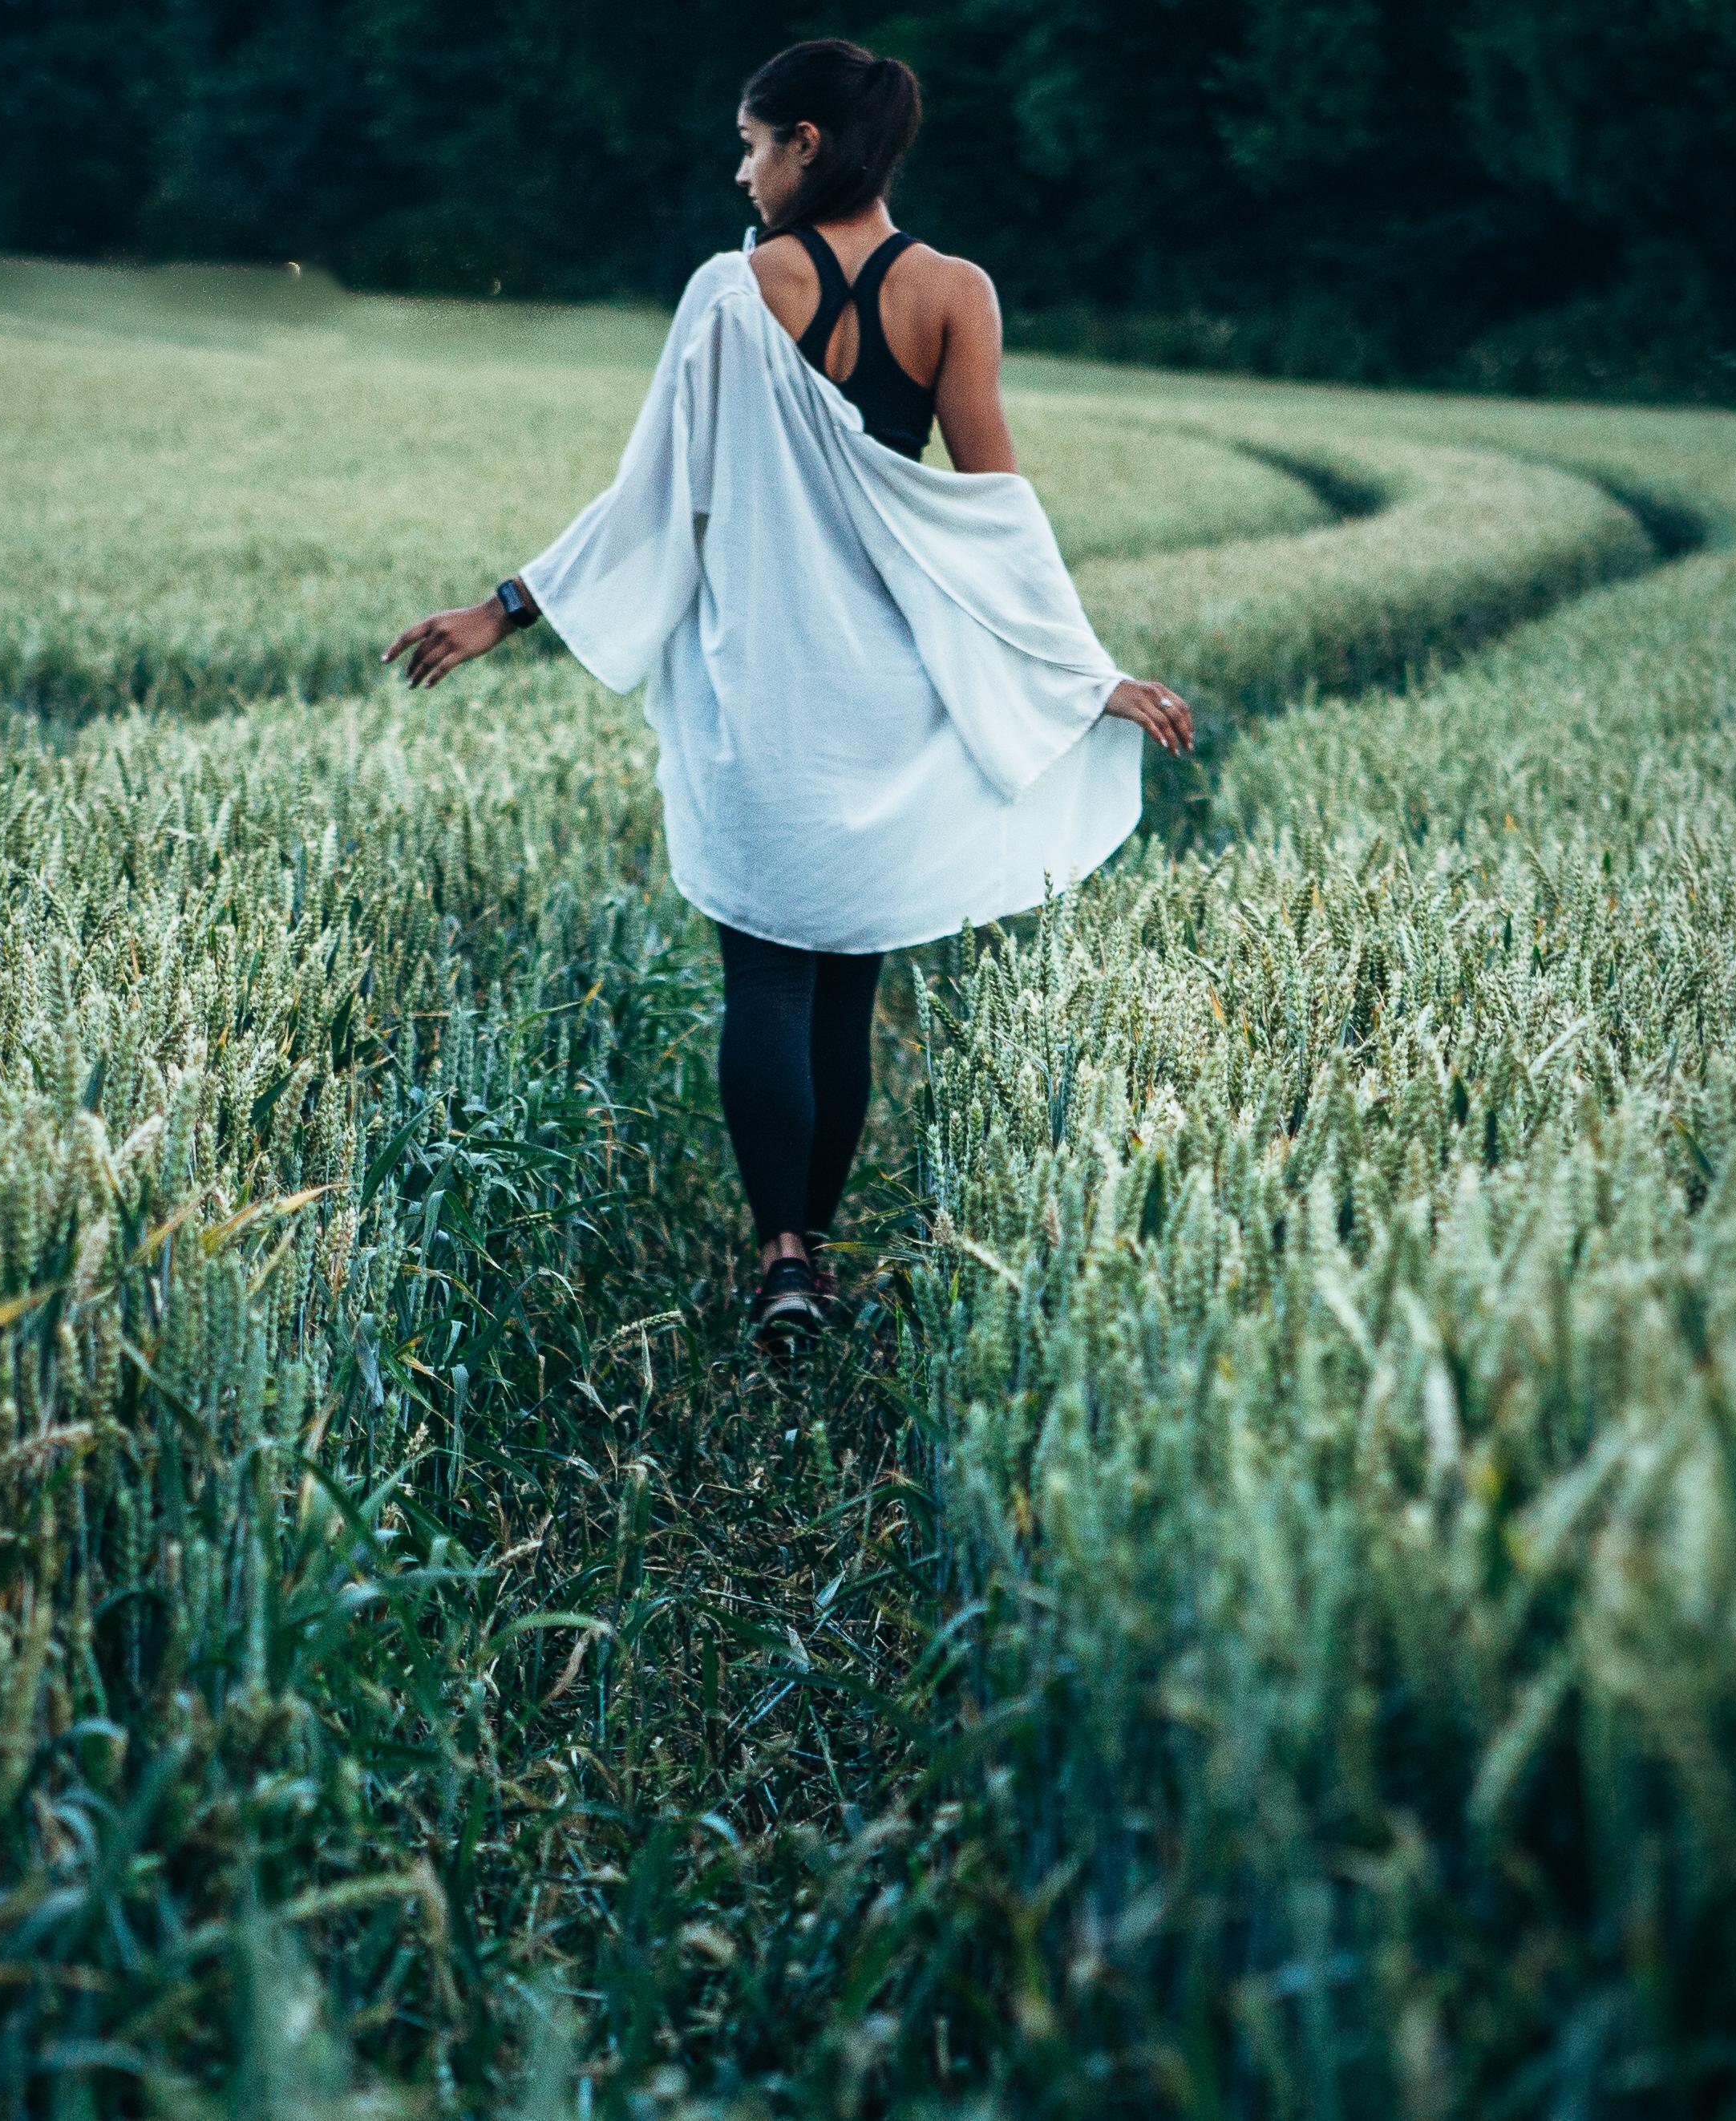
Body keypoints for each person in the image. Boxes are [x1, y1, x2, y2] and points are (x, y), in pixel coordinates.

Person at [382, 38, 1197, 1346]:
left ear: (808, 142)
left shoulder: (727, 291)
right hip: (889, 697)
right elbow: (992, 518)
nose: (743, 169)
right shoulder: (955, 293)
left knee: (762, 976)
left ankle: (780, 1258)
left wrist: (507, 607)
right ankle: (813, 1258)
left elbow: (654, 493)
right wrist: (1080, 677)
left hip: (759, 690)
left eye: (756, 143)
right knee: (846, 981)